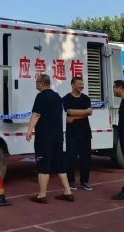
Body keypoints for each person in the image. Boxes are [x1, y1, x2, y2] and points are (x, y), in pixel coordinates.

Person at [26, 74, 75, 203]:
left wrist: (29, 130)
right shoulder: (57, 97)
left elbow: (36, 114)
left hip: (44, 137)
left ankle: (42, 195)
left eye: (37, 81)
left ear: (43, 83)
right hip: (58, 136)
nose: (36, 84)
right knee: (60, 164)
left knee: (43, 165)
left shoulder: (41, 96)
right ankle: (67, 191)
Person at [63, 77, 93, 191]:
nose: (81, 86)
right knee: (71, 158)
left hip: (85, 132)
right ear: (73, 85)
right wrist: (84, 112)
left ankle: (85, 181)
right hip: (72, 133)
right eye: (79, 84)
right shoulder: (66, 98)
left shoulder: (86, 98)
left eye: (82, 84)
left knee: (86, 158)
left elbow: (89, 112)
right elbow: (69, 111)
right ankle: (71, 181)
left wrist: (74, 117)